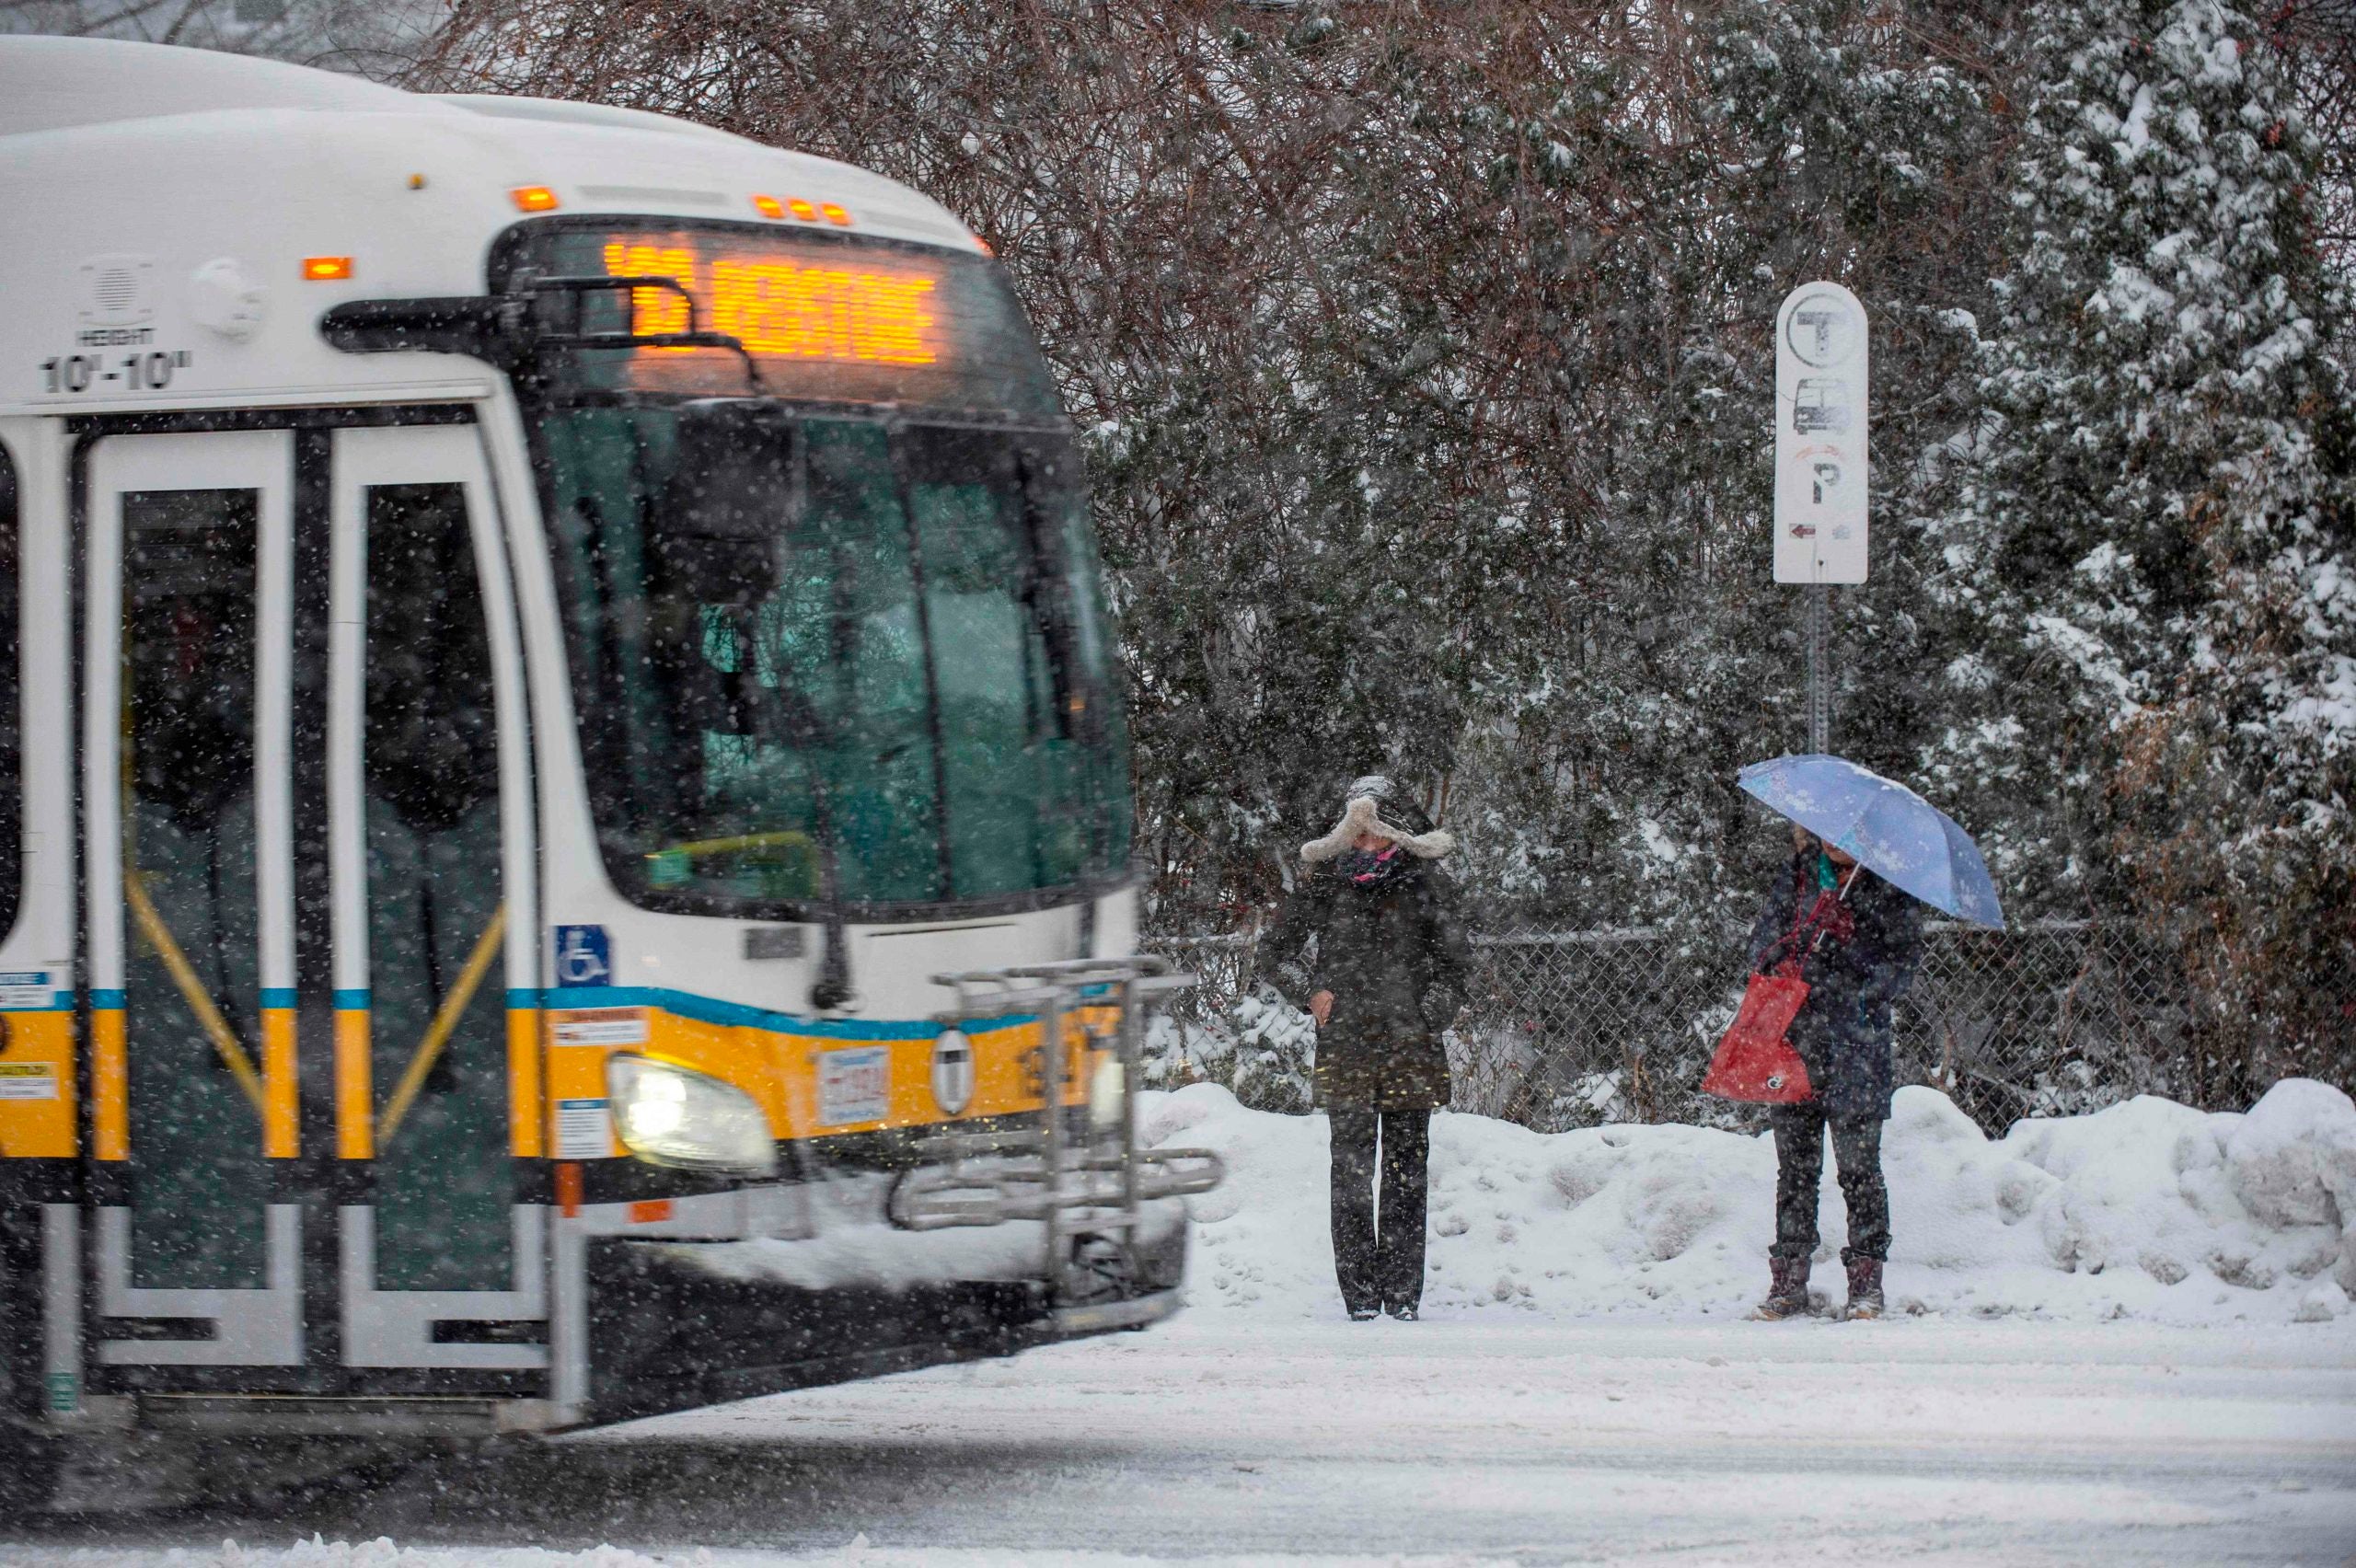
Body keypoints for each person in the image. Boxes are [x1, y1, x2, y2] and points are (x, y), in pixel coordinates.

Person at [1263, 776, 1472, 1320]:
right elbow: (1274, 952)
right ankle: (1359, 1299)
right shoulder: (1324, 885)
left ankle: (1402, 1298)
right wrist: (1311, 991)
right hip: (1347, 1049)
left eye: (1376, 836)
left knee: (1407, 1174)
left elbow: (1458, 963)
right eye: (1357, 837)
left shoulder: (1426, 884)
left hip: (1411, 1048)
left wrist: (1434, 1008)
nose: (1367, 847)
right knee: (1351, 1174)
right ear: (1343, 836)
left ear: (1396, 833)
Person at [1745, 824, 1926, 1320]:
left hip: (1857, 1050)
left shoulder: (1889, 885)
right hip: (1796, 1045)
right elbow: (1761, 947)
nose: (1833, 840)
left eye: (1846, 833)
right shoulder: (1799, 878)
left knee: (1860, 1171)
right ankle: (1788, 1283)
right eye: (1824, 831)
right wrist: (1799, 942)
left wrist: (1855, 965)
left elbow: (1902, 963)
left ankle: (1867, 1283)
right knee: (1796, 1171)